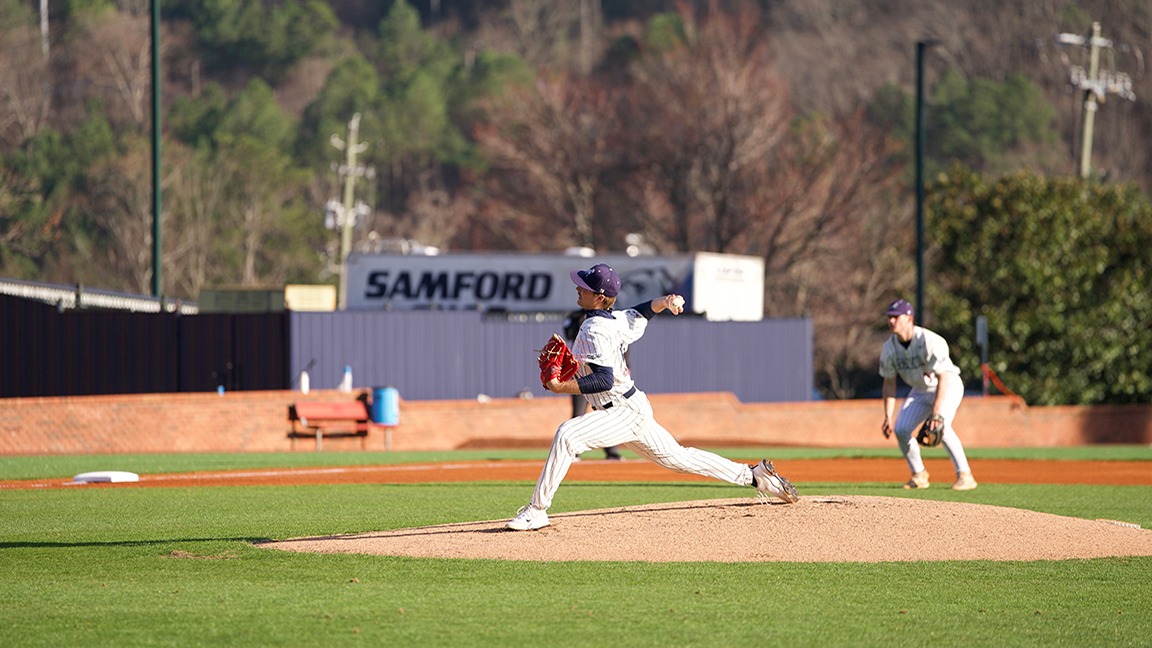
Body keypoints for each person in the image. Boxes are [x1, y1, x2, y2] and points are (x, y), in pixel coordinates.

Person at [507, 263, 799, 531]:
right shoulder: (614, 319)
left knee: (568, 434)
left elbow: (603, 379)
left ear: (598, 297)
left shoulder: (595, 328)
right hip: (631, 407)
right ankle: (755, 476)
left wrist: (560, 386)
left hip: (620, 410)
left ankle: (537, 509)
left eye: (583, 286)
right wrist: (667, 301)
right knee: (679, 458)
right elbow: (641, 311)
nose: (577, 288)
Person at [879, 298, 978, 491]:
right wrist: (887, 416)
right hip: (920, 389)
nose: (891, 321)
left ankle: (965, 475)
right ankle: (919, 475)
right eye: (889, 317)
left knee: (940, 424)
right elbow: (889, 382)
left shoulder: (930, 341)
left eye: (895, 317)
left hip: (947, 384)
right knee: (900, 429)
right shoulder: (889, 348)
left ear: (909, 318)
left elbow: (942, 377)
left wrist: (936, 413)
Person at [563, 309, 622, 460]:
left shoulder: (611, 318)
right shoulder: (575, 316)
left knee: (608, 413)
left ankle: (611, 451)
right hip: (581, 372)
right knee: (578, 413)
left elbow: (620, 343)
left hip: (602, 373)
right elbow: (568, 334)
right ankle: (574, 451)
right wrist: (581, 322)